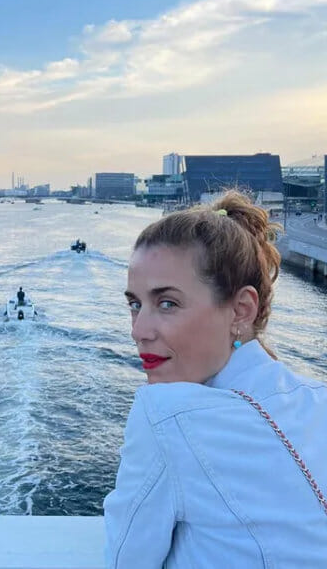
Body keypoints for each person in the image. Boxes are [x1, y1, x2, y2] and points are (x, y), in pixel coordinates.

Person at [104, 190, 327, 568]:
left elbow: (126, 559)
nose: (138, 331)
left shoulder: (165, 417)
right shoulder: (317, 398)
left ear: (241, 310)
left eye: (168, 303)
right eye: (135, 304)